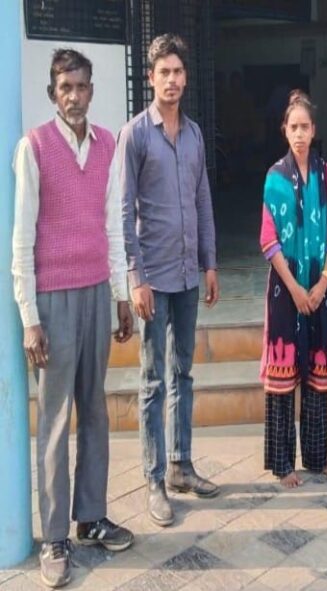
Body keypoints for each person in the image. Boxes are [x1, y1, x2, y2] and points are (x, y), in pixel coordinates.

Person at [12, 48, 134, 588]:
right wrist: (29, 317)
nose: (75, 96)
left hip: (95, 293)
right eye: (65, 87)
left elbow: (113, 225)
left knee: (95, 410)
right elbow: (21, 238)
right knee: (56, 420)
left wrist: (121, 294)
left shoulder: (106, 144)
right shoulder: (34, 147)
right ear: (52, 93)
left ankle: (91, 516)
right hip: (53, 300)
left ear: (91, 90)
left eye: (82, 86)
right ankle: (55, 536)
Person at [118, 34, 220, 527]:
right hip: (153, 279)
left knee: (184, 372)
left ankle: (181, 465)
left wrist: (210, 262)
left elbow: (202, 201)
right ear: (151, 78)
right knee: (153, 380)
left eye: (178, 72)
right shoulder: (135, 135)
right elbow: (122, 211)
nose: (172, 80)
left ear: (185, 77)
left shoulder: (195, 134)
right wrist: (135, 277)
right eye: (164, 72)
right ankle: (154, 479)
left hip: (186, 275)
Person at [259, 90, 327, 488]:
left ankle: (316, 456)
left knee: (317, 373)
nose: (299, 134)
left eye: (305, 127)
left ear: (314, 130)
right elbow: (268, 239)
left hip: (318, 288)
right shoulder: (275, 176)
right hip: (285, 290)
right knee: (282, 376)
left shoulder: (326, 175)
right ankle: (282, 464)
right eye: (293, 127)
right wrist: (294, 287)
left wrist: (323, 281)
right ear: (284, 130)